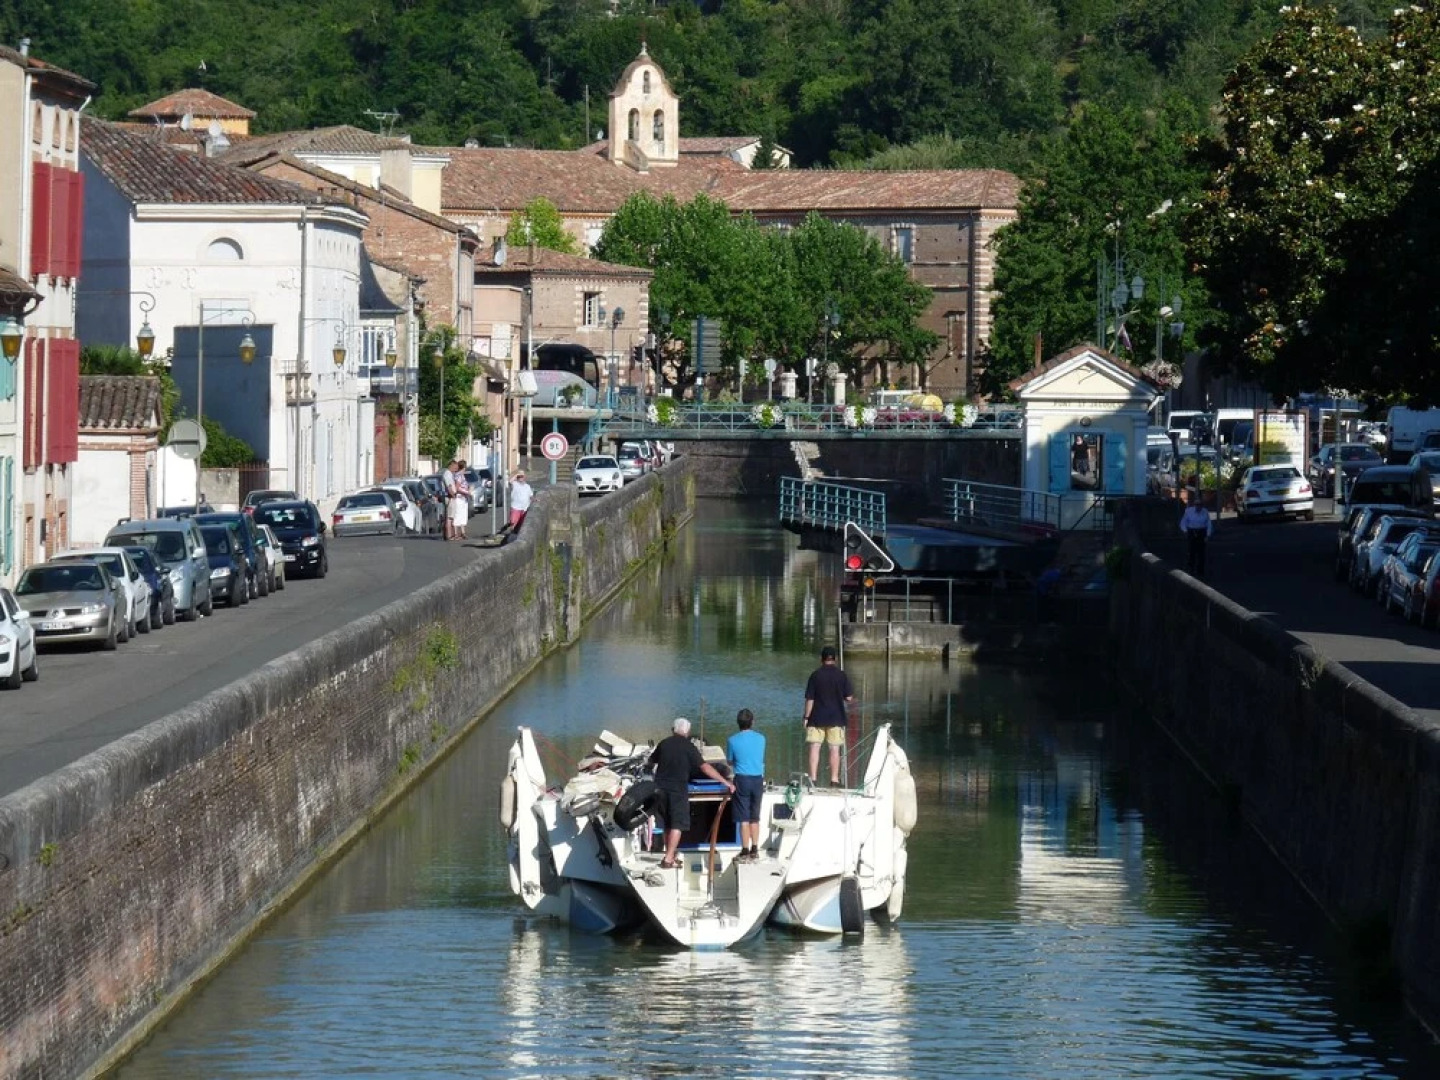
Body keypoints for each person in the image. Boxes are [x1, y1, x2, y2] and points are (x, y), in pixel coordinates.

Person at [649, 717, 734, 869]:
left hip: (660, 789)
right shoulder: (689, 747)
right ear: (687, 732)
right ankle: (668, 859)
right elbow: (705, 768)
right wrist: (725, 781)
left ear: (672, 730)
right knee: (677, 824)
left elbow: (651, 761)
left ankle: (669, 855)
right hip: (677, 790)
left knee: (667, 824)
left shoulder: (664, 743)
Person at [803, 645, 854, 786]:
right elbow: (849, 698)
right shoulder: (841, 675)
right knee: (834, 749)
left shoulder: (815, 675)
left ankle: (813, 779)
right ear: (835, 659)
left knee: (815, 747)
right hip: (836, 718)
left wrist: (806, 717)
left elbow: (810, 699)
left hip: (816, 717)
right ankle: (834, 780)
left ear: (822, 659)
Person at [726, 708, 766, 862]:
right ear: (752, 722)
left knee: (744, 818)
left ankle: (745, 850)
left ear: (738, 723)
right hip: (757, 779)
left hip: (742, 779)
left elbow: (730, 761)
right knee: (754, 818)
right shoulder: (761, 738)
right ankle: (755, 848)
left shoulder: (732, 740)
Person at [1180, 494, 1213, 577]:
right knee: (1192, 551)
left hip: (1201, 532)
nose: (1198, 507)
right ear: (1194, 505)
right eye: (1197, 505)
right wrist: (1185, 531)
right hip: (1191, 531)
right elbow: (1183, 522)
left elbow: (1208, 523)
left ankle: (1200, 570)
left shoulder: (1205, 511)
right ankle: (1191, 568)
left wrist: (1208, 535)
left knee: (1201, 552)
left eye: (1200, 505)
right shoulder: (1188, 511)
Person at [440, 460, 460, 540]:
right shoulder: (447, 474)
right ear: (451, 465)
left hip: (450, 496)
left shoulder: (449, 474)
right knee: (449, 517)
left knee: (450, 516)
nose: (456, 469)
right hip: (450, 497)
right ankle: (449, 535)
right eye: (455, 467)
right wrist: (453, 495)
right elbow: (449, 487)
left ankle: (448, 535)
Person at [453, 460, 471, 540]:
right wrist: (467, 492)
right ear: (464, 467)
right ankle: (456, 533)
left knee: (463, 515)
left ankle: (463, 533)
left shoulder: (462, 475)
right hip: (459, 498)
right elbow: (457, 488)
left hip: (464, 498)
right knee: (458, 515)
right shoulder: (459, 476)